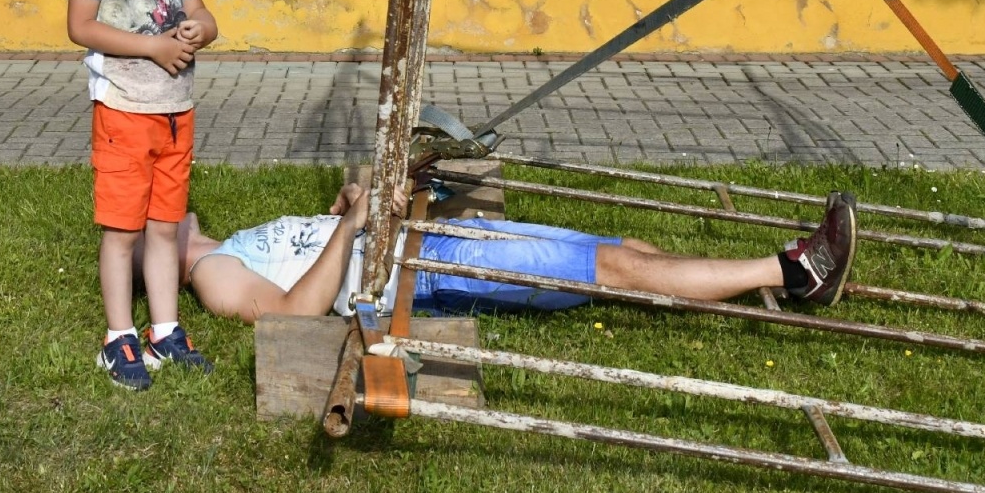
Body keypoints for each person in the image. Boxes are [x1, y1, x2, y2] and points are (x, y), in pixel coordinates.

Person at [174, 183, 857, 324]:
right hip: (422, 275)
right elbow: (295, 315)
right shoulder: (212, 277)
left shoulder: (226, 242)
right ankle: (795, 272)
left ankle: (739, 283)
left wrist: (349, 205)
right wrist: (352, 225)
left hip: (421, 238)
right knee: (613, 271)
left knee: (622, 249)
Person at [62, 0, 220, 391]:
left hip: (176, 112)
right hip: (125, 111)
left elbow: (204, 14)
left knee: (165, 225)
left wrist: (198, 31)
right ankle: (118, 338)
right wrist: (151, 48)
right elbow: (80, 25)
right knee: (122, 230)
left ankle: (165, 330)